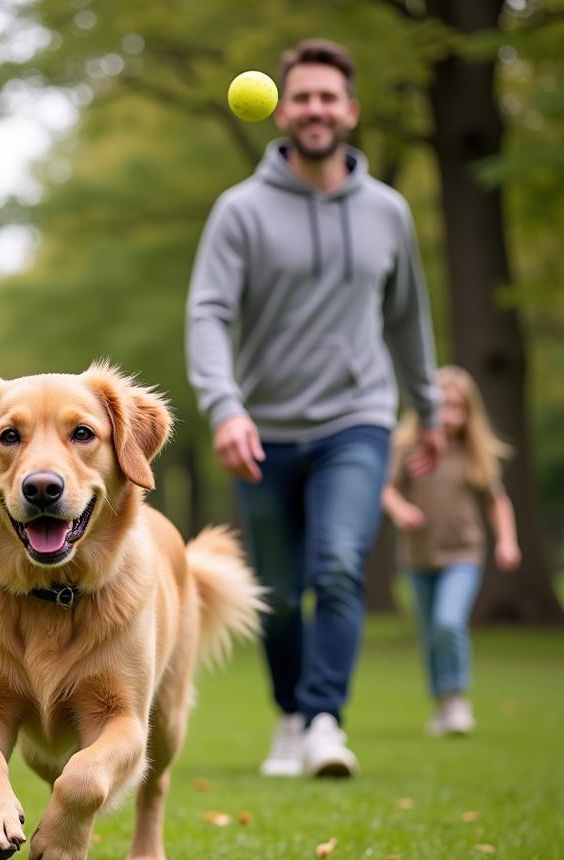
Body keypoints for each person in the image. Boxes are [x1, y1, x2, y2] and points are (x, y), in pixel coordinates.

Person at [185, 39, 442, 778]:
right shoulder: (240, 211)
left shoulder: (389, 212)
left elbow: (407, 319)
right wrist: (226, 407)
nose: (316, 109)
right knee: (274, 589)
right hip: (261, 430)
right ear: (283, 110)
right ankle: (292, 716)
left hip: (357, 420)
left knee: (336, 566)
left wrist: (426, 409)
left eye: (329, 97)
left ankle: (327, 718)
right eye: (303, 97)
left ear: (350, 111)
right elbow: (208, 314)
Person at [382, 366, 520, 736]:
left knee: (449, 622)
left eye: (458, 408)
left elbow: (497, 502)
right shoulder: (408, 447)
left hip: (463, 554)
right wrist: (401, 511)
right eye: (443, 406)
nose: (450, 416)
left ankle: (457, 697)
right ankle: (441, 704)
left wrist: (507, 541)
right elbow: (386, 489)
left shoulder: (472, 453)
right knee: (430, 634)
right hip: (418, 557)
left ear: (470, 413)